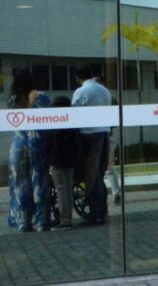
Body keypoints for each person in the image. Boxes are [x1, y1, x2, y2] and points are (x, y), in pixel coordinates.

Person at [6, 68, 51, 232]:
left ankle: (23, 221)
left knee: (20, 184)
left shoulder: (12, 101)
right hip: (36, 141)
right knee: (39, 181)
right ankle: (41, 221)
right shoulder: (41, 97)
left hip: (17, 144)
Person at [71, 65, 111, 225]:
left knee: (90, 173)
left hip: (88, 134)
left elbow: (74, 113)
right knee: (99, 172)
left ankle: (96, 212)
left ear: (77, 77)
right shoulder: (104, 91)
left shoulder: (80, 92)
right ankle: (101, 208)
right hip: (104, 132)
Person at [44, 96, 80, 230]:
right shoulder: (72, 122)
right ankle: (68, 218)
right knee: (68, 188)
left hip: (57, 159)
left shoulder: (55, 123)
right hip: (70, 159)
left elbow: (48, 140)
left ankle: (64, 220)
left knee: (61, 188)